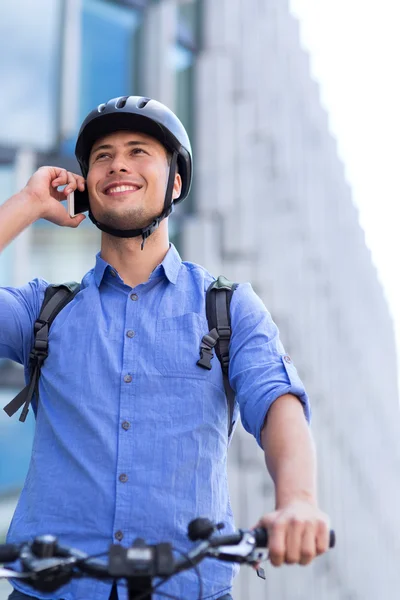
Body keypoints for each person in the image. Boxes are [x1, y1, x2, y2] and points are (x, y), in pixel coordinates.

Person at [0, 96, 330, 600]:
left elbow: (277, 403)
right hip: (49, 590)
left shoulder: (228, 307)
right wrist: (25, 204)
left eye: (139, 151)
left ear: (175, 182)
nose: (118, 164)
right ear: (86, 186)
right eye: (103, 156)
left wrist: (299, 500)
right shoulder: (43, 309)